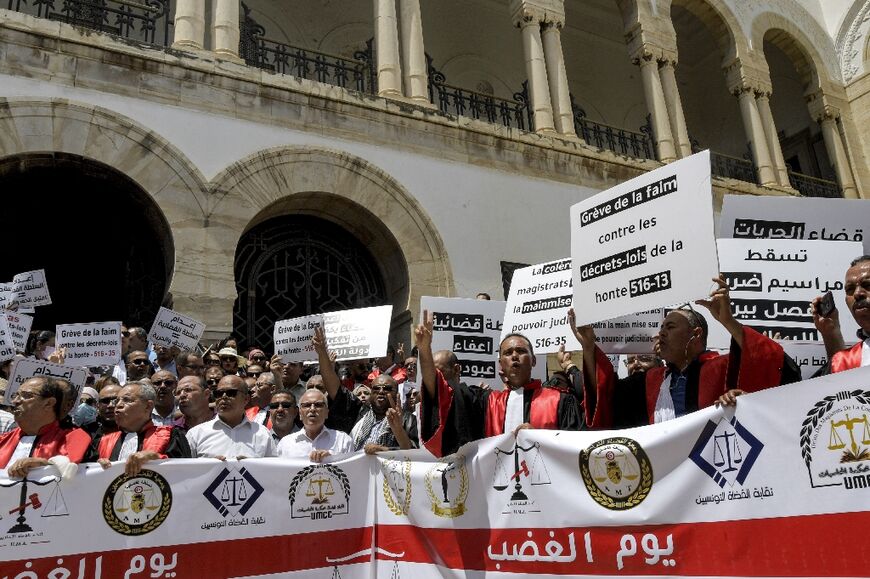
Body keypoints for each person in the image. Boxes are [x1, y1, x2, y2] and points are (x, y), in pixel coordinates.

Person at [572, 276, 801, 427]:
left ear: (696, 334)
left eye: (670, 327)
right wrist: (590, 348)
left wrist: (729, 322)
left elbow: (778, 368)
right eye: (661, 328)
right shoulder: (648, 382)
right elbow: (606, 400)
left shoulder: (722, 367)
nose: (661, 334)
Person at [417, 311, 581, 458]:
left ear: (534, 360)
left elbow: (575, 449)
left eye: (521, 351)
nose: (515, 356)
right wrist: (424, 351)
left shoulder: (560, 400)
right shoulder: (485, 402)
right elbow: (440, 394)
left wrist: (541, 439)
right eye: (508, 353)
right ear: (501, 364)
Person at [86, 381, 190, 475]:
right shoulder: (102, 442)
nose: (118, 405)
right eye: (117, 401)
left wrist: (157, 459)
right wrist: (95, 468)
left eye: (127, 400)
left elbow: (186, 474)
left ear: (148, 406)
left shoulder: (170, 436)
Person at [0, 377, 90, 476]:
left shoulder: (75, 439)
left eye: (26, 396)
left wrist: (46, 467)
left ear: (49, 403)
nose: (15, 401)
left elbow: (82, 477)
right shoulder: (3, 439)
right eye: (15, 395)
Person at [186, 375, 277, 459]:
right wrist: (209, 467)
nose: (224, 397)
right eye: (219, 393)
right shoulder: (196, 434)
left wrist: (252, 467)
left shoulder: (262, 433)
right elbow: (184, 472)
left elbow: (273, 470)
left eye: (231, 393)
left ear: (246, 399)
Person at [812, 256, 870, 373]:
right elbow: (837, 385)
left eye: (867, 285)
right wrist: (831, 333)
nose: (857, 294)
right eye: (850, 289)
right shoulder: (847, 361)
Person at [276, 389, 352, 462]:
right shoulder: (285, 444)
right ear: (300, 414)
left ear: (327, 413)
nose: (312, 409)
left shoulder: (343, 441)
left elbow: (351, 472)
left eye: (318, 405)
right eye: (307, 405)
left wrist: (331, 460)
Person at [350, 375, 417, 453]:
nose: (381, 391)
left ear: (397, 394)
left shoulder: (409, 420)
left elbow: (416, 454)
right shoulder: (359, 415)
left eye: (387, 388)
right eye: (376, 388)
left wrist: (386, 450)